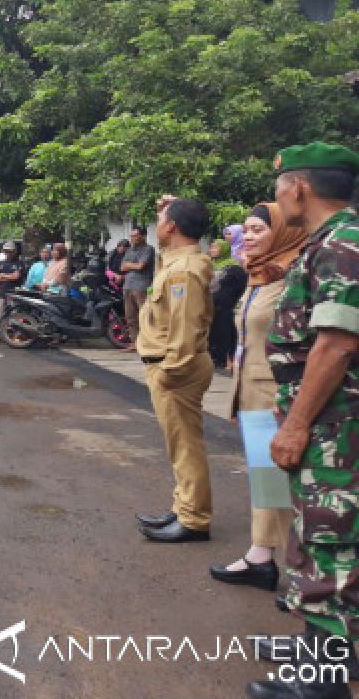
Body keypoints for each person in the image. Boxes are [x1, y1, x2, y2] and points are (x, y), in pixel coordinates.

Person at [244, 143, 359, 699]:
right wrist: (293, 406)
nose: (277, 197)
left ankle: (324, 681)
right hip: (324, 419)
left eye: (279, 186)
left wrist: (297, 423)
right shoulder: (327, 243)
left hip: (338, 427)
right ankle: (324, 644)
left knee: (330, 540)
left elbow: (336, 345)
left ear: (299, 188)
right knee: (318, 535)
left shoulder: (342, 244)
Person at [208, 203, 305, 594]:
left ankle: (298, 573)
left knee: (282, 480)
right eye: (244, 230)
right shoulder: (259, 275)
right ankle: (262, 556)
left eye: (258, 230)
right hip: (251, 388)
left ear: (281, 232)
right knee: (265, 479)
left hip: (278, 392)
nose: (246, 237)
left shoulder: (292, 275)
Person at [135, 196, 215, 543]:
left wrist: (171, 370)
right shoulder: (176, 261)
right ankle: (184, 505)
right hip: (170, 364)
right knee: (178, 445)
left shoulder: (184, 269)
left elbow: (185, 326)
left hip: (176, 368)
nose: (157, 225)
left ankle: (194, 519)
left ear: (171, 227)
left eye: (161, 220)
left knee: (186, 446)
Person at [207, 237, 248, 372]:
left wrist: (236, 302)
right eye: (212, 247)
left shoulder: (234, 268)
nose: (213, 250)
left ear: (224, 249)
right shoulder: (209, 265)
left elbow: (243, 286)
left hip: (228, 306)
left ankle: (229, 360)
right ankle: (215, 358)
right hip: (212, 305)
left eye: (216, 247)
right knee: (214, 332)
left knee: (228, 333)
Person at [121, 226, 157, 351]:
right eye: (131, 236)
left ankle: (146, 343)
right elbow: (122, 267)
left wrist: (130, 265)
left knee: (144, 316)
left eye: (135, 236)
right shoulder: (129, 250)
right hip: (128, 286)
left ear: (143, 236)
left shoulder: (148, 249)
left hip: (141, 286)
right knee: (130, 317)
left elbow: (141, 266)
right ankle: (135, 343)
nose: (132, 239)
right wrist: (133, 265)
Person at [0, 242, 23, 339]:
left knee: (15, 315)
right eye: (6, 251)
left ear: (14, 251)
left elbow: (16, 276)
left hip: (15, 293)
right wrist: (9, 276)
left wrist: (2, 275)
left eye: (10, 251)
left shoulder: (19, 263)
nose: (8, 253)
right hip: (0, 292)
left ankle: (14, 334)